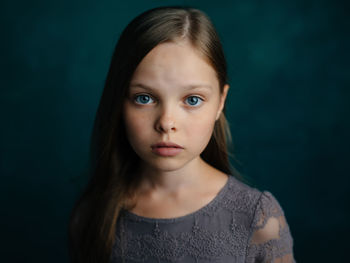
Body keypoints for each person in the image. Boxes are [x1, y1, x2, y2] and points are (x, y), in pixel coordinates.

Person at [68, 6, 296, 263]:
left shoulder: (258, 218)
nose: (167, 123)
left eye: (193, 99)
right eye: (144, 98)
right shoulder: (92, 216)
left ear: (220, 102)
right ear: (120, 102)